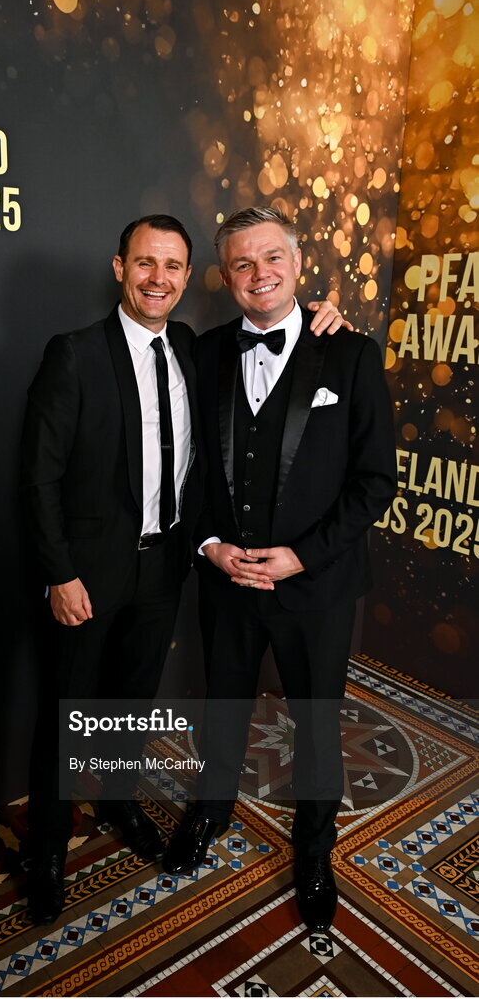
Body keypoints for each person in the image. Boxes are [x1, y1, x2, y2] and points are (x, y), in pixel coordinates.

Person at [20, 213, 345, 924]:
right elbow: (36, 476)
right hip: (89, 574)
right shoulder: (73, 354)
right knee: (69, 712)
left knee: (129, 703)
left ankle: (115, 803)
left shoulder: (196, 350)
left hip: (165, 567)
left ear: (190, 277)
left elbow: (285, 350)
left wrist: (322, 307)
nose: (158, 279)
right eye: (145, 264)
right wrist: (59, 572)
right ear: (119, 269)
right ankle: (45, 851)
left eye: (172, 267)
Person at [162, 206, 396, 933]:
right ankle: (212, 811)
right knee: (223, 704)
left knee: (318, 725)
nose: (259, 274)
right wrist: (208, 546)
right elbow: (187, 467)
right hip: (227, 580)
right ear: (227, 277)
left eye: (273, 259)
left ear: (297, 265)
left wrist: (301, 556)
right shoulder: (200, 353)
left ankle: (315, 852)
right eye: (242, 264)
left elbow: (373, 484)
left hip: (316, 587)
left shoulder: (351, 355)